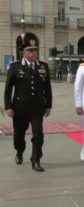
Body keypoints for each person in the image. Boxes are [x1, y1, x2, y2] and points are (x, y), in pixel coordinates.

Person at [3, 33, 52, 172]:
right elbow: (8, 88)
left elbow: (47, 87)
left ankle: (35, 159)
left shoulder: (43, 66)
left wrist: (48, 105)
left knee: (38, 135)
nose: (33, 53)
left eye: (34, 50)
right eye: (30, 50)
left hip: (37, 108)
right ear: (24, 52)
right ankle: (19, 151)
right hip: (20, 108)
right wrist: (8, 107)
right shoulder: (15, 67)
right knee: (19, 134)